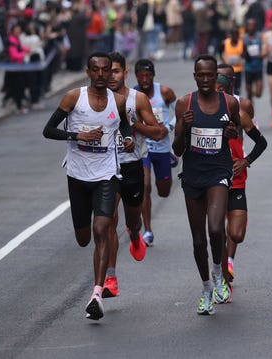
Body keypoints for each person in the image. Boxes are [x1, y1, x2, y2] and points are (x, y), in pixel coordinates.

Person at [43, 52, 134, 321]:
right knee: (84, 238)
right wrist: (77, 135)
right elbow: (48, 130)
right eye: (96, 69)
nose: (101, 74)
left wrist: (128, 140)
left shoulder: (118, 102)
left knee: (102, 229)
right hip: (78, 175)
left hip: (107, 174)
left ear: (110, 72)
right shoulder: (74, 98)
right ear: (88, 72)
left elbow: (127, 128)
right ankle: (97, 285)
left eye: (106, 70)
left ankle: (96, 293)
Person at [173, 54, 240, 315]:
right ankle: (206, 288)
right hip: (192, 175)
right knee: (198, 239)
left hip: (219, 172)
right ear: (194, 76)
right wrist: (183, 127)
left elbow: (235, 133)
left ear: (216, 77)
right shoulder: (184, 104)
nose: (205, 80)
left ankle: (218, 272)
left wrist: (232, 134)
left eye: (209, 75)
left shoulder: (230, 103)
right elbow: (177, 150)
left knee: (215, 228)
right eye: (200, 75)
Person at [103, 51, 168, 298]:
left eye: (116, 71)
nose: (110, 76)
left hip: (132, 166)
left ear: (124, 73)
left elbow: (159, 132)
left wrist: (133, 126)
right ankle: (110, 278)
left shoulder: (137, 99)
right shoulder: (94, 100)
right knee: (107, 221)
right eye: (106, 71)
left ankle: (134, 234)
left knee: (132, 221)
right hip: (105, 170)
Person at [215, 63, 267, 296]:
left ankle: (228, 261)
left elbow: (261, 141)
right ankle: (222, 277)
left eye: (221, 87)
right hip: (212, 178)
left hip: (236, 177)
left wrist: (245, 160)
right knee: (216, 229)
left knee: (236, 233)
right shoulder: (199, 109)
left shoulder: (241, 110)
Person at [134, 58, 177, 246]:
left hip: (162, 146)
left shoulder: (165, 92)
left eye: (148, 75)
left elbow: (181, 114)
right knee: (144, 186)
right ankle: (148, 230)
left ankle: (169, 158)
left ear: (153, 76)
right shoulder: (132, 94)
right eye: (141, 76)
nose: (144, 79)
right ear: (136, 77)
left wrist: (169, 127)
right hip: (142, 147)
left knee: (164, 191)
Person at [243, 18, 265, 103]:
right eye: (249, 25)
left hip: (258, 67)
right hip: (248, 67)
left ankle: (254, 93)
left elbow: (265, 47)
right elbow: (240, 51)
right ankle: (251, 111)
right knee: (249, 94)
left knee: (259, 93)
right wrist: (244, 53)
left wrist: (262, 54)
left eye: (253, 25)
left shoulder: (259, 36)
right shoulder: (244, 37)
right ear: (247, 27)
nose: (251, 27)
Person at [221, 26, 245, 96]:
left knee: (237, 90)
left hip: (238, 70)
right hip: (228, 71)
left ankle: (236, 103)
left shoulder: (242, 43)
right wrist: (223, 60)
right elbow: (219, 51)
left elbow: (246, 54)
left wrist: (243, 55)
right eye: (233, 34)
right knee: (227, 89)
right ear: (230, 34)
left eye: (236, 34)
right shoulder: (225, 42)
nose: (235, 36)